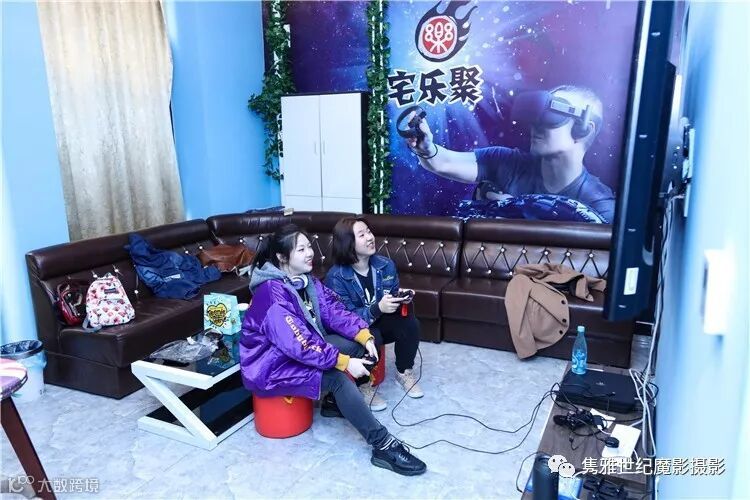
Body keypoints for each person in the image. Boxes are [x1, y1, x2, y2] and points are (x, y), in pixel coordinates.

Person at [239, 224, 426, 476]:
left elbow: (334, 312)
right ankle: (382, 445)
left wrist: (364, 334)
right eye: (301, 249)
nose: (310, 253)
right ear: (282, 257)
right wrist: (345, 363)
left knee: (357, 345)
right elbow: (301, 344)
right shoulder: (272, 295)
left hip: (295, 353)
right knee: (338, 378)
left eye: (309, 247)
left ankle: (333, 404)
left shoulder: (307, 281)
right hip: (271, 366)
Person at [405, 85, 616, 223]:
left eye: (551, 117)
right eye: (537, 116)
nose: (536, 125)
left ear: (583, 130)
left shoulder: (600, 206)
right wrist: (426, 149)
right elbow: (443, 162)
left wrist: (516, 211)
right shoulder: (507, 163)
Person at [326, 217, 424, 412]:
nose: (370, 237)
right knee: (373, 336)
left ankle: (403, 372)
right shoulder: (336, 277)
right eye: (362, 235)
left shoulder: (385, 265)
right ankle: (363, 385)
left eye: (369, 232)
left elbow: (391, 294)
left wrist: (400, 298)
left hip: (380, 319)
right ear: (348, 243)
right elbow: (345, 319)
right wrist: (377, 308)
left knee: (409, 323)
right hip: (354, 329)